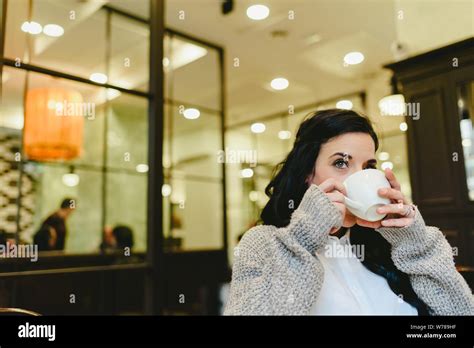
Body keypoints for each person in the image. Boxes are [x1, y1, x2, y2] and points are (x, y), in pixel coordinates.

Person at [224, 109, 474, 315]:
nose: (360, 177)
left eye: (368, 166)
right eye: (341, 163)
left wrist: (415, 244)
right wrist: (305, 235)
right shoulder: (263, 243)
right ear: (306, 175)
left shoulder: (387, 248)